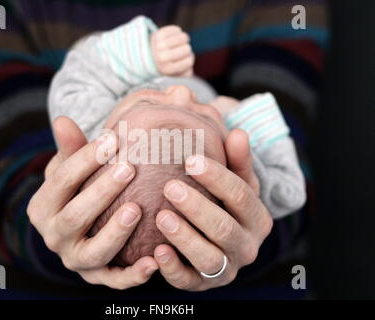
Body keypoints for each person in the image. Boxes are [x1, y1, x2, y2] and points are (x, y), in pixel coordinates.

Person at [43, 16, 306, 269]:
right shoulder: (243, 178)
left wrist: (144, 54)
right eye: (200, 113)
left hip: (120, 65)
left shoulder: (88, 129)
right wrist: (240, 118)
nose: (182, 92)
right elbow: (290, 192)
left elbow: (79, 75)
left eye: (148, 101)